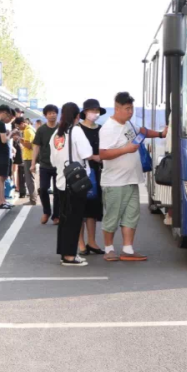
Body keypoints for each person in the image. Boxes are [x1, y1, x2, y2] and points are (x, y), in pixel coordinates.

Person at [100, 92, 166, 262]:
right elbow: (103, 154)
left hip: (132, 179)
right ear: (117, 108)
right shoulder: (108, 128)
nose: (130, 112)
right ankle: (109, 249)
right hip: (115, 182)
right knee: (112, 217)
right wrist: (125, 149)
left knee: (132, 215)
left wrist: (160, 134)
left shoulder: (128, 124)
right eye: (127, 109)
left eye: (132, 108)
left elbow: (142, 131)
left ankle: (128, 250)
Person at [49, 102, 99, 266]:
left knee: (65, 219)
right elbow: (86, 153)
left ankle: (65, 252)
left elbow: (52, 158)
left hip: (62, 181)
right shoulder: (76, 131)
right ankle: (70, 256)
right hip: (76, 181)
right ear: (77, 116)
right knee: (74, 219)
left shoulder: (57, 133)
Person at [77, 99, 106, 255]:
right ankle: (81, 243)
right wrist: (92, 157)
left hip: (97, 172)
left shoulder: (101, 129)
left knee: (93, 209)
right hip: (80, 172)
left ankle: (92, 242)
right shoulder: (77, 129)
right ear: (85, 112)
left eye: (97, 110)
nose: (95, 113)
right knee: (80, 209)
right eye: (92, 110)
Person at [31, 105, 60, 225]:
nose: (52, 115)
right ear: (45, 115)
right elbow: (36, 146)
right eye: (50, 113)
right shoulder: (41, 130)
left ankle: (56, 216)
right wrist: (33, 163)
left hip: (59, 165)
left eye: (54, 113)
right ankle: (46, 212)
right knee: (43, 188)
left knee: (58, 191)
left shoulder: (61, 128)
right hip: (44, 164)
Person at [15, 117, 38, 205]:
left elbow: (29, 145)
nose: (18, 128)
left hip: (29, 157)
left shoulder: (27, 131)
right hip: (30, 156)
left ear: (22, 123)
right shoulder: (31, 128)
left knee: (29, 179)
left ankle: (33, 199)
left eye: (18, 126)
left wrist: (19, 139)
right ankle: (33, 198)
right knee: (30, 178)